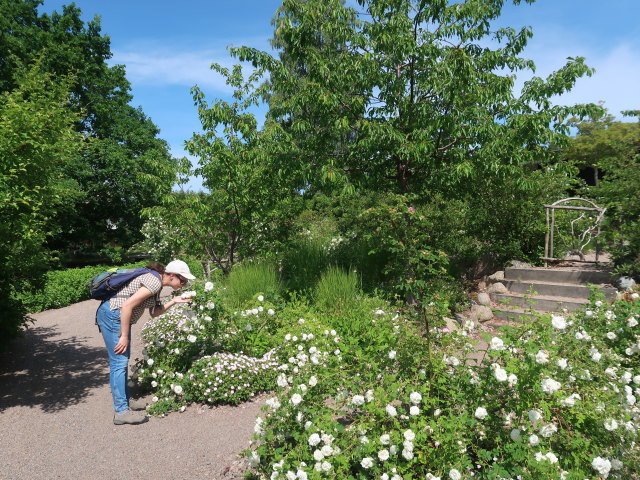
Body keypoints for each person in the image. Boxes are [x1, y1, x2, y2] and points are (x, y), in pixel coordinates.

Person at [96, 259, 196, 425]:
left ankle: (126, 402)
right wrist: (125, 336)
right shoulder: (154, 282)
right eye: (183, 280)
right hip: (113, 316)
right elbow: (127, 306)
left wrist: (174, 301)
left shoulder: (157, 283)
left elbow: (154, 313)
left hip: (116, 317)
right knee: (118, 362)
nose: (184, 284)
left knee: (122, 361)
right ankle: (121, 411)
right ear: (172, 275)